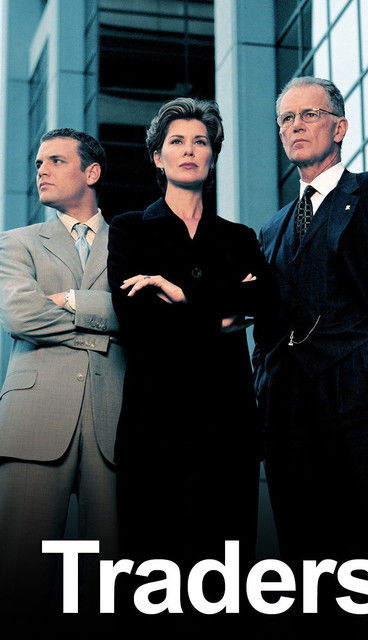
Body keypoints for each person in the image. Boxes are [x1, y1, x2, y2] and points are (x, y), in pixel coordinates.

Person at [253, 76, 368, 637]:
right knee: (305, 561)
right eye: (286, 119)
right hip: (290, 408)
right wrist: (265, 384)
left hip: (362, 393)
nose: (296, 126)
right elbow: (266, 322)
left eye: (309, 114)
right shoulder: (271, 228)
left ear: (340, 127)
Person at [107, 97, 273, 636]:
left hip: (229, 430)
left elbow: (264, 302)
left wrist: (179, 294)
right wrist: (222, 310)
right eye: (176, 141)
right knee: (152, 584)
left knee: (226, 583)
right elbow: (137, 321)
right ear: (157, 157)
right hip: (154, 428)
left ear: (213, 156)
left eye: (200, 141)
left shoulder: (239, 238)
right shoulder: (130, 230)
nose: (189, 150)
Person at [0, 128, 125, 629]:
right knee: (19, 578)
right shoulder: (17, 242)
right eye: (38, 163)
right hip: (32, 422)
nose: (41, 171)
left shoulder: (132, 243)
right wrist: (106, 329)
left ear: (91, 172)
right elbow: (22, 316)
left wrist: (73, 302)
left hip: (113, 419)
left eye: (55, 160)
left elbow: (143, 316)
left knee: (107, 585)